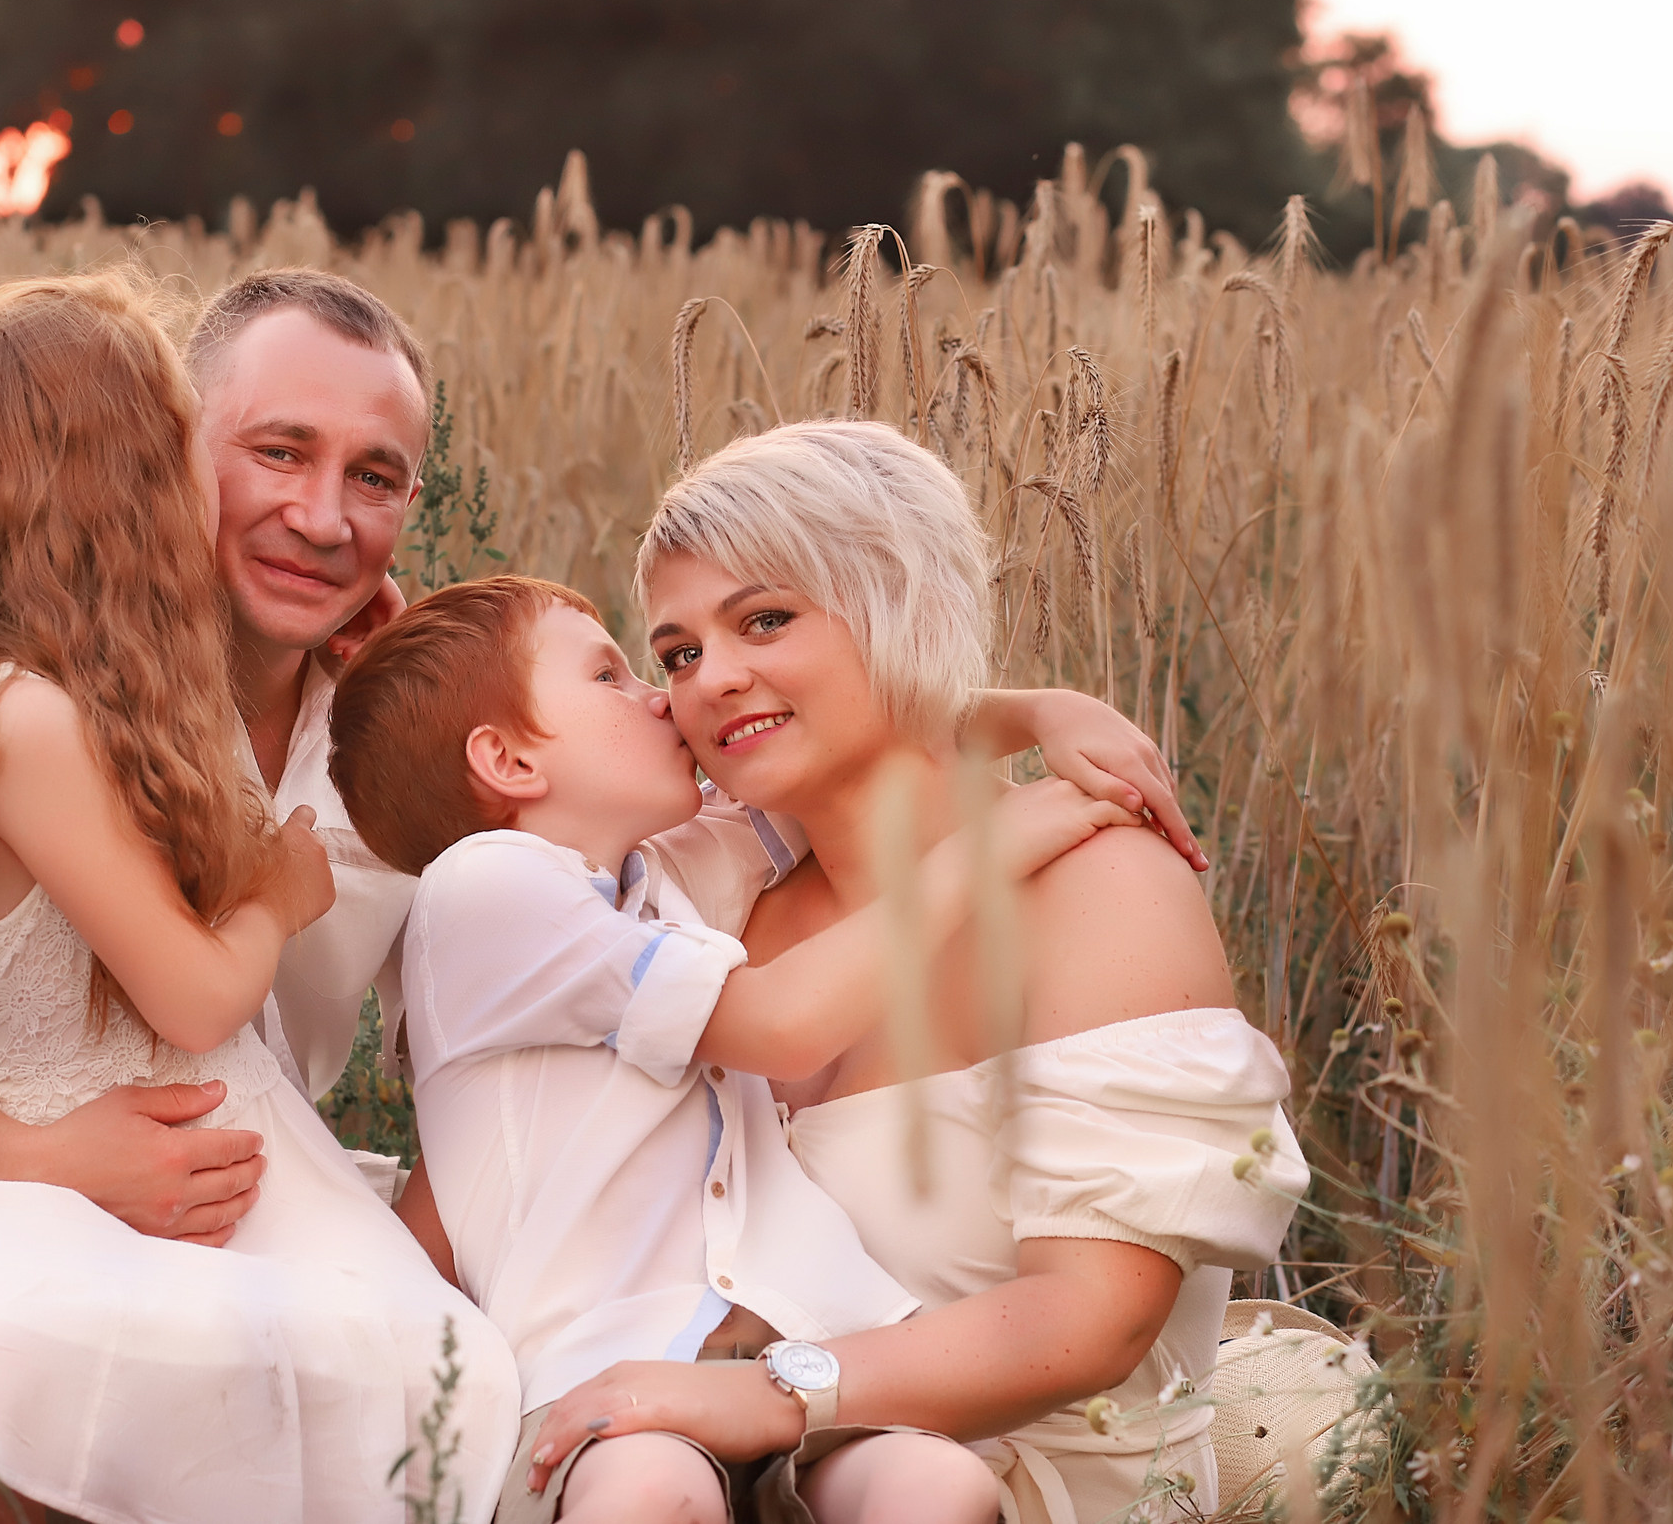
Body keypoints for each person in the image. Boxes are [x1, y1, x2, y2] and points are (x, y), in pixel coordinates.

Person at [0, 267, 521, 1523]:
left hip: (256, 1205)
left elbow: (513, 1037)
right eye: (278, 452)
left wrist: (417, 726)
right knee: (38, 1372)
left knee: (451, 1388)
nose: (323, 519)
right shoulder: (25, 701)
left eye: (374, 476)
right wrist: (41, 1161)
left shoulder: (401, 738)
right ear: (170, 450)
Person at [531, 421, 1311, 1524]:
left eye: (765, 619)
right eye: (679, 653)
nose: (713, 679)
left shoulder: (1098, 886)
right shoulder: (711, 895)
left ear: (901, 604)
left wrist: (765, 1395)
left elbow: (1094, 1319)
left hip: (1034, 1487)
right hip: (730, 1481)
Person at [332, 576, 1149, 1523]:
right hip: (606, 1371)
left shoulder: (660, 871)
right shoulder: (484, 891)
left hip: (800, 1340)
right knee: (654, 1491)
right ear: (508, 759)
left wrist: (1042, 713)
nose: (660, 698)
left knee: (937, 1485)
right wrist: (992, 847)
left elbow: (849, 750)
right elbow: (782, 1024)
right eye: (608, 675)